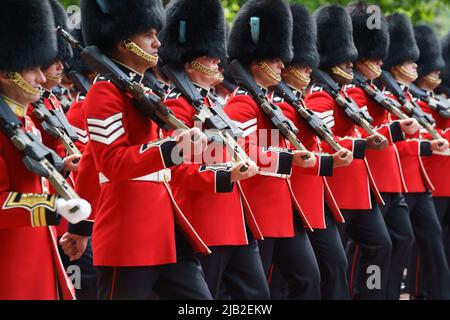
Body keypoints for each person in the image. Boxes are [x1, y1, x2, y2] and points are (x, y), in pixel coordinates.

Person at [79, 0, 212, 300]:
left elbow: (91, 158)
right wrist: (172, 146)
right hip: (130, 237)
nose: (157, 42)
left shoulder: (143, 91)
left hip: (166, 233)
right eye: (148, 35)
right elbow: (110, 163)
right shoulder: (104, 92)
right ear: (125, 41)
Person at [226, 0, 322, 299]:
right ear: (258, 61)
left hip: (283, 209)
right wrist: (287, 160)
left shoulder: (268, 101)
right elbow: (243, 151)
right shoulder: (241, 102)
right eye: (277, 59)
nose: (284, 65)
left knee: (308, 279)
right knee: (257, 292)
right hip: (258, 209)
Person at [0, 0, 90, 299]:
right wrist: (53, 207)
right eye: (33, 69)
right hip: (11, 264)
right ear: (6, 72)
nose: (42, 78)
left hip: (39, 250)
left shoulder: (21, 120)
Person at [305, 4, 392, 299]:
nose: (351, 63)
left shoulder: (339, 91)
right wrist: (362, 144)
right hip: (336, 188)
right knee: (332, 265)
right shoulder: (320, 93)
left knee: (381, 245)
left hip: (357, 188)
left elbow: (365, 124)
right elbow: (325, 140)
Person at [381, 13, 450, 299]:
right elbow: (381, 140)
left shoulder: (409, 97)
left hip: (418, 183)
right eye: (411, 61)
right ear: (396, 62)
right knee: (395, 246)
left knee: (430, 243)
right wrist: (423, 146)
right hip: (396, 182)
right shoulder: (383, 94)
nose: (417, 66)